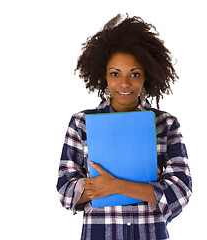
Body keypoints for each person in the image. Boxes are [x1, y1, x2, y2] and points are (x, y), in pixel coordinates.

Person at [57, 14, 192, 240]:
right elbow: (65, 191)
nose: (124, 83)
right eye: (115, 74)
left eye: (135, 74)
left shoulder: (165, 124)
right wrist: (146, 185)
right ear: (104, 75)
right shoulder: (81, 123)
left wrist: (113, 185)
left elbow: (180, 191)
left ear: (147, 75)